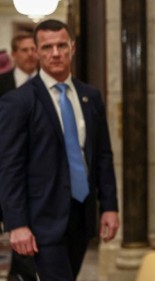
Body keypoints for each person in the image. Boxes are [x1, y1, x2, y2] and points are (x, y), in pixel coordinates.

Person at [0, 19, 120, 281]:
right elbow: (10, 167)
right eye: (47, 47)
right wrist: (16, 224)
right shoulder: (18, 101)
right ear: (38, 50)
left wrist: (110, 206)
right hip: (41, 219)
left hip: (81, 216)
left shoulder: (91, 96)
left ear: (72, 48)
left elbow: (102, 155)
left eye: (61, 46)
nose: (55, 53)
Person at [0, 33, 39, 281]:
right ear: (14, 54)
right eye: (24, 50)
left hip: (36, 171)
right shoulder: (2, 84)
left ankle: (21, 271)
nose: (30, 54)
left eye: (33, 49)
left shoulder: (46, 84)